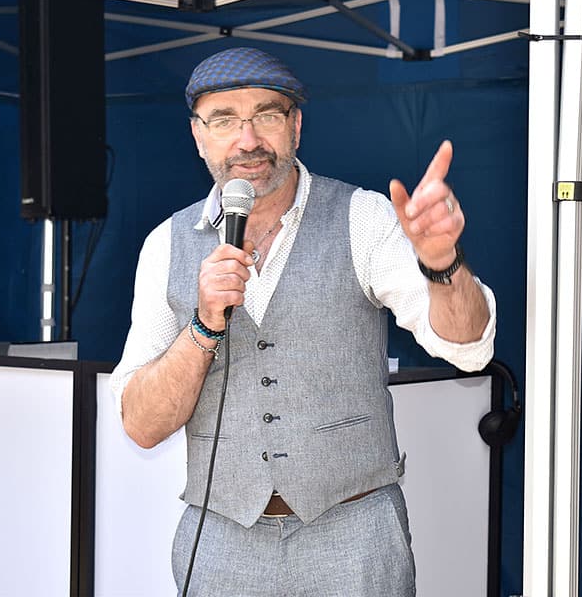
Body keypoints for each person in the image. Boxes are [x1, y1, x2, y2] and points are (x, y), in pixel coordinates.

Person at [110, 47, 496, 597]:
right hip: (220, 542)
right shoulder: (165, 244)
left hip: (353, 536)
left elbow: (469, 349)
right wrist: (203, 326)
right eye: (224, 120)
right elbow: (142, 425)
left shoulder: (362, 217)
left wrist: (442, 265)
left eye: (266, 115)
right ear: (198, 135)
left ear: (295, 126)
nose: (247, 140)